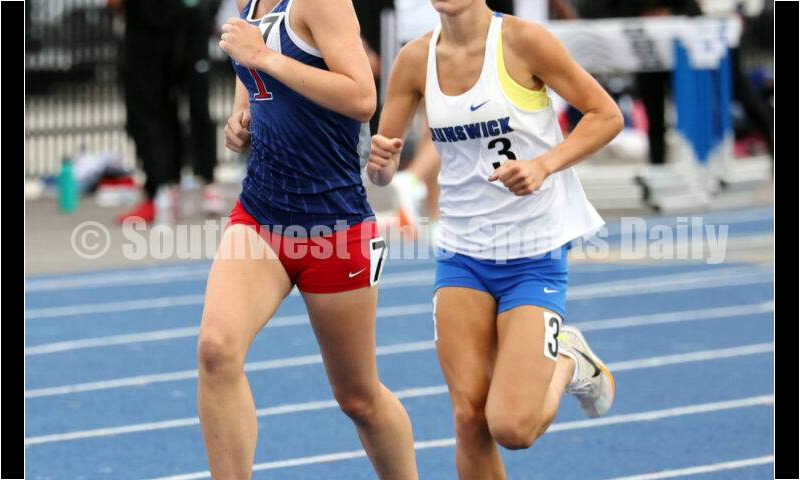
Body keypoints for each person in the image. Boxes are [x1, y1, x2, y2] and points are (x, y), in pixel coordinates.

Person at [368, 1, 622, 478]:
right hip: (463, 254)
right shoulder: (413, 59)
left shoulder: (523, 42)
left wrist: (543, 165)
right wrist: (380, 167)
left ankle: (569, 357)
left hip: (533, 254)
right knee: (468, 418)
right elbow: (382, 170)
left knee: (511, 427)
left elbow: (605, 115)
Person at [198, 0, 418, 478]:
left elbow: (362, 98)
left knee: (358, 397)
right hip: (261, 214)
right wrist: (242, 118)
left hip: (334, 226)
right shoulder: (247, 2)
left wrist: (266, 59)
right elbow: (251, 67)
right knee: (216, 351)